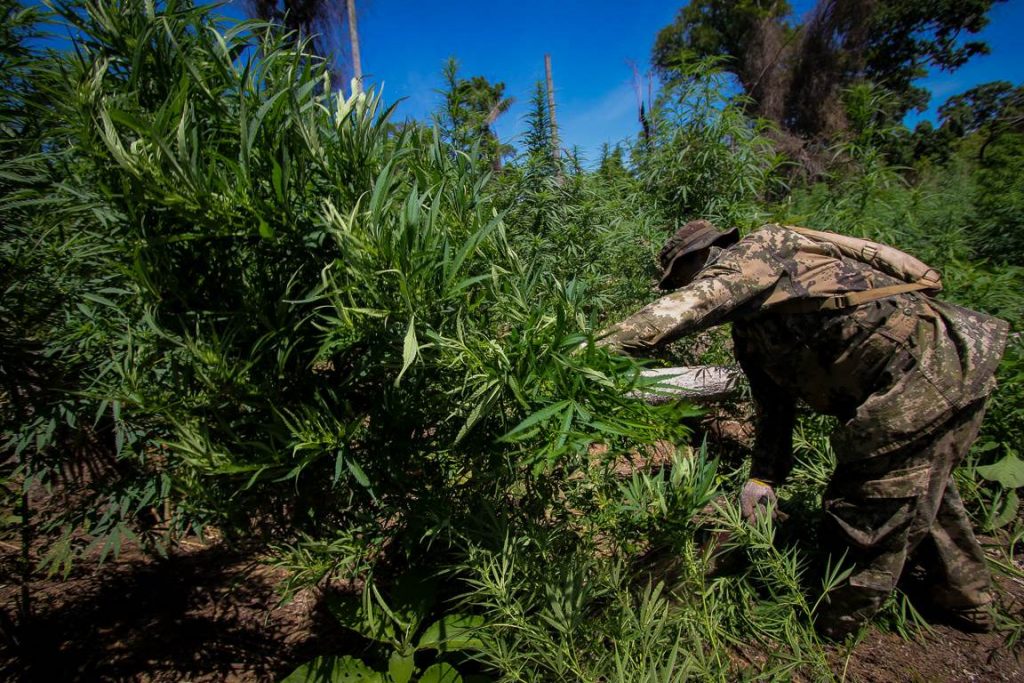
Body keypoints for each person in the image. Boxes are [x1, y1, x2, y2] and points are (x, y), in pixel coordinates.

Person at [595, 220, 1009, 639]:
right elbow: (773, 406)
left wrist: (583, 355)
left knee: (867, 504)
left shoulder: (759, 250)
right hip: (923, 379)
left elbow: (689, 306)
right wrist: (763, 478)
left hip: (926, 372)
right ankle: (965, 597)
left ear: (703, 255)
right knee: (921, 486)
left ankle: (833, 625)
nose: (682, 285)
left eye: (680, 277)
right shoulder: (753, 328)